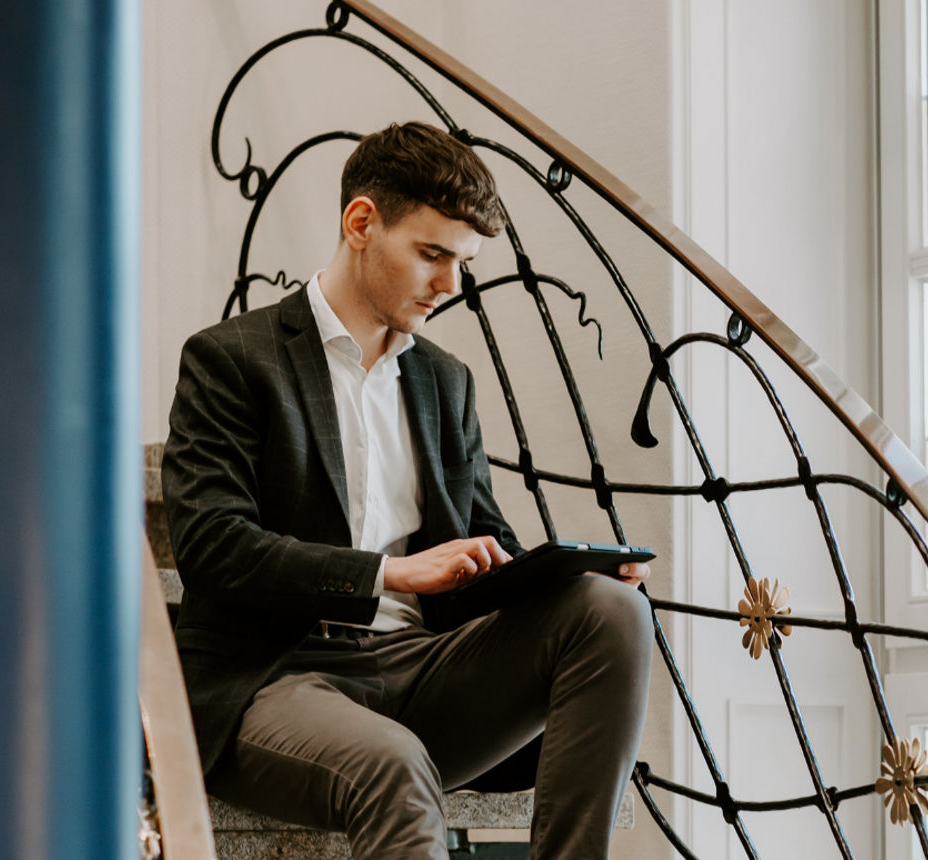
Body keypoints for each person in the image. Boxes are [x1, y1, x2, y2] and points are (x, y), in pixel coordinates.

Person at [162, 121, 654, 859]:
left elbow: (481, 546)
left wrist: (555, 575)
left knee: (612, 611)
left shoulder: (444, 382)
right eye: (431, 254)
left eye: (462, 261)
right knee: (394, 766)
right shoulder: (231, 360)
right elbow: (211, 548)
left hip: (418, 671)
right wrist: (386, 574)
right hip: (273, 679)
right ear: (361, 223)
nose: (451, 285)